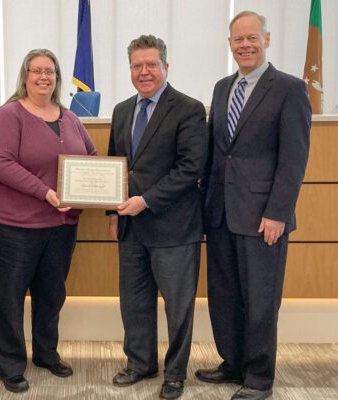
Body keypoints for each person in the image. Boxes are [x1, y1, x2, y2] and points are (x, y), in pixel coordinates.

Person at [195, 11, 311, 400]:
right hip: (221, 213)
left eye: (252, 38)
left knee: (260, 299)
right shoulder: (221, 87)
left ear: (267, 39)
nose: (245, 45)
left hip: (264, 217)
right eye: (237, 39)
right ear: (229, 45)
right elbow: (216, 153)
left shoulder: (290, 89)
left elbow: (294, 160)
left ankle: (259, 377)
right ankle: (232, 363)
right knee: (225, 294)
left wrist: (279, 211)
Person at [0, 48, 96, 393]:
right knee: (8, 298)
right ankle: (11, 365)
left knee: (51, 295)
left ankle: (46, 353)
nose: (44, 77)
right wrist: (44, 192)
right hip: (12, 226)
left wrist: (97, 187)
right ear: (25, 76)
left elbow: (89, 156)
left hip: (60, 227)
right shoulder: (9, 114)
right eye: (37, 71)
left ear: (58, 78)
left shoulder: (69, 116)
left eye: (50, 71)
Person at [107, 35, 208, 400]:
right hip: (130, 227)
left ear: (166, 66)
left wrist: (145, 201)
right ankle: (140, 363)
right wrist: (112, 211)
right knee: (133, 301)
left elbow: (190, 168)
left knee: (177, 306)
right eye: (137, 65)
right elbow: (115, 166)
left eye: (151, 64)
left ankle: (176, 373)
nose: (144, 71)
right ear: (130, 69)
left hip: (173, 226)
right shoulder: (121, 110)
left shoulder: (189, 108)